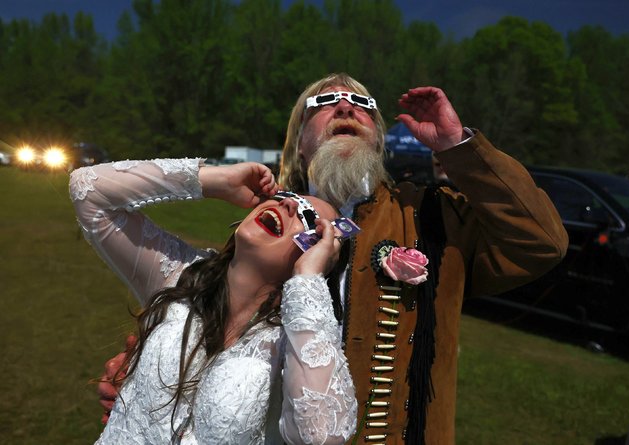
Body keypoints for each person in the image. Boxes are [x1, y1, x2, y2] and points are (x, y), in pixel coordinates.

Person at [97, 73, 568, 444]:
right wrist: (152, 380)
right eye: (323, 105)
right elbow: (208, 321)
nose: (346, 108)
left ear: (379, 139)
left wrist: (458, 148)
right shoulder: (270, 223)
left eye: (363, 105)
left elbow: (542, 243)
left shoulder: (431, 215)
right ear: (299, 142)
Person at [70, 159, 358, 444]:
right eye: (286, 196)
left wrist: (307, 279)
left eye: (307, 216)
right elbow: (88, 189)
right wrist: (214, 181)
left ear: (317, 253)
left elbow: (322, 436)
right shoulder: (179, 274)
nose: (289, 205)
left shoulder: (294, 343)